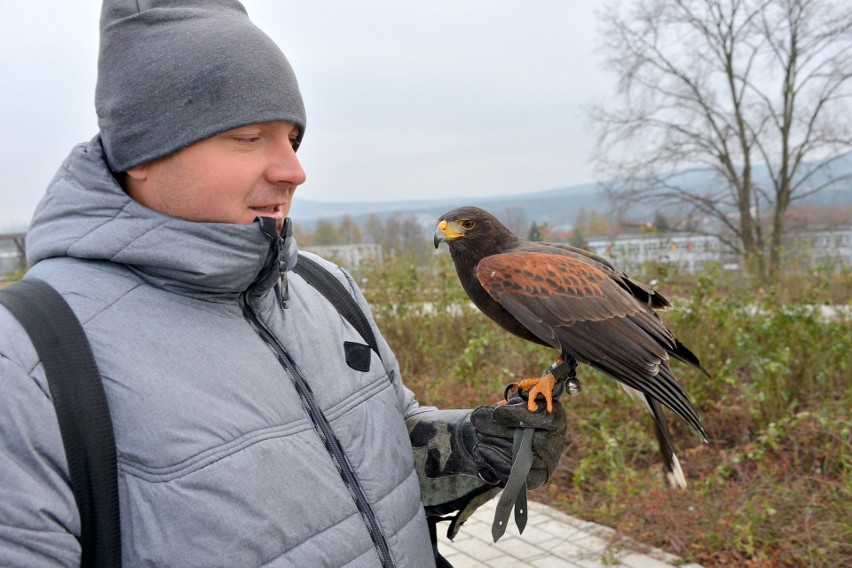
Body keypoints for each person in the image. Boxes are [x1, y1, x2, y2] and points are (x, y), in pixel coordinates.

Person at [0, 1, 568, 566]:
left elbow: (384, 450)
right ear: (141, 152)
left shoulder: (325, 287)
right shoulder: (27, 362)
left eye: (292, 139)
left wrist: (470, 446)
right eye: (250, 137)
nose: (294, 170)